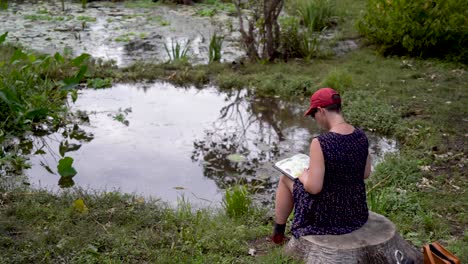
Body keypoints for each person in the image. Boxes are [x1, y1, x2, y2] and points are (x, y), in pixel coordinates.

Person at [272, 87, 371, 244]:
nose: (315, 119)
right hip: (355, 213)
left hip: (327, 218)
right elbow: (365, 173)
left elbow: (314, 188)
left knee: (285, 178)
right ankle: (278, 235)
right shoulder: (361, 135)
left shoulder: (321, 142)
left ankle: (278, 234)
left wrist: (304, 175)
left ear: (321, 110)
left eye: (313, 115)